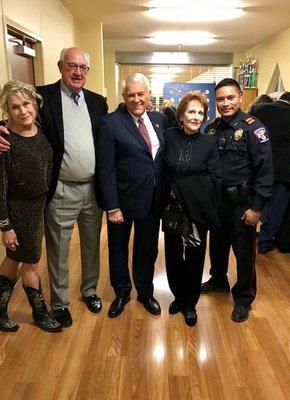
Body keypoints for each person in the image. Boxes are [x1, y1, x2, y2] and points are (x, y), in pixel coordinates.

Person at [0, 47, 108, 327]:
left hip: (92, 188)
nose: (77, 72)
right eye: (71, 66)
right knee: (59, 248)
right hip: (60, 187)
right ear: (61, 66)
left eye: (83, 67)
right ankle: (59, 303)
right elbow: (19, 117)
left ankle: (90, 290)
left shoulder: (98, 102)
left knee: (91, 244)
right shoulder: (43, 97)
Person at [201, 78, 273, 323]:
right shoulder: (211, 128)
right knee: (217, 245)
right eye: (220, 99)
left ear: (241, 97)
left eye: (230, 97)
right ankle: (218, 279)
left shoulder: (254, 128)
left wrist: (257, 208)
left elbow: (265, 171)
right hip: (218, 201)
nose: (225, 103)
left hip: (244, 204)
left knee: (243, 253)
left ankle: (243, 297)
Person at [96, 73, 168, 318]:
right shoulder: (111, 123)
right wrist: (111, 206)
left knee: (147, 248)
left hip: (152, 199)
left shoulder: (160, 120)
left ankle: (145, 291)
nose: (136, 99)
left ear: (149, 95)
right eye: (131, 95)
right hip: (122, 201)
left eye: (141, 94)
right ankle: (122, 292)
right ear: (124, 96)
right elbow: (105, 168)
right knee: (118, 248)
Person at [0, 81, 61, 332]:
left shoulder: (39, 127)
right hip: (18, 209)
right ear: (7, 111)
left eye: (26, 104)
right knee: (31, 263)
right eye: (14, 107)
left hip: (38, 206)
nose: (22, 111)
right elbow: (0, 187)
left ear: (34, 104)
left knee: (13, 259)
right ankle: (40, 313)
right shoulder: (5, 141)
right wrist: (5, 226)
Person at [163, 92, 222, 326]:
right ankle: (178, 296)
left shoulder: (209, 142)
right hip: (173, 209)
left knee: (196, 255)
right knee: (173, 253)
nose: (196, 117)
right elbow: (162, 169)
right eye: (191, 111)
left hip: (197, 209)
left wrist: (180, 187)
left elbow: (215, 177)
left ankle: (190, 303)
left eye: (200, 113)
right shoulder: (169, 136)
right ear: (181, 114)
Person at [250, 91, 290, 254]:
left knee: (253, 203)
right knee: (276, 208)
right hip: (283, 170)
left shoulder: (258, 109)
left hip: (258, 166)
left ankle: (247, 236)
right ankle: (265, 242)